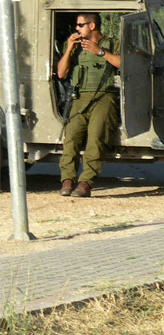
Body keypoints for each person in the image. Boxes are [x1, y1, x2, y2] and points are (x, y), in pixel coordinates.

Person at [56, 13, 121, 198]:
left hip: (104, 97)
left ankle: (86, 182)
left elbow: (123, 63)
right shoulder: (75, 47)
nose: (77, 28)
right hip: (79, 98)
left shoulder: (111, 44)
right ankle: (67, 180)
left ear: (92, 26)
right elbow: (61, 73)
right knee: (71, 139)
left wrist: (99, 52)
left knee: (96, 138)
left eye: (80, 25)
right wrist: (69, 49)